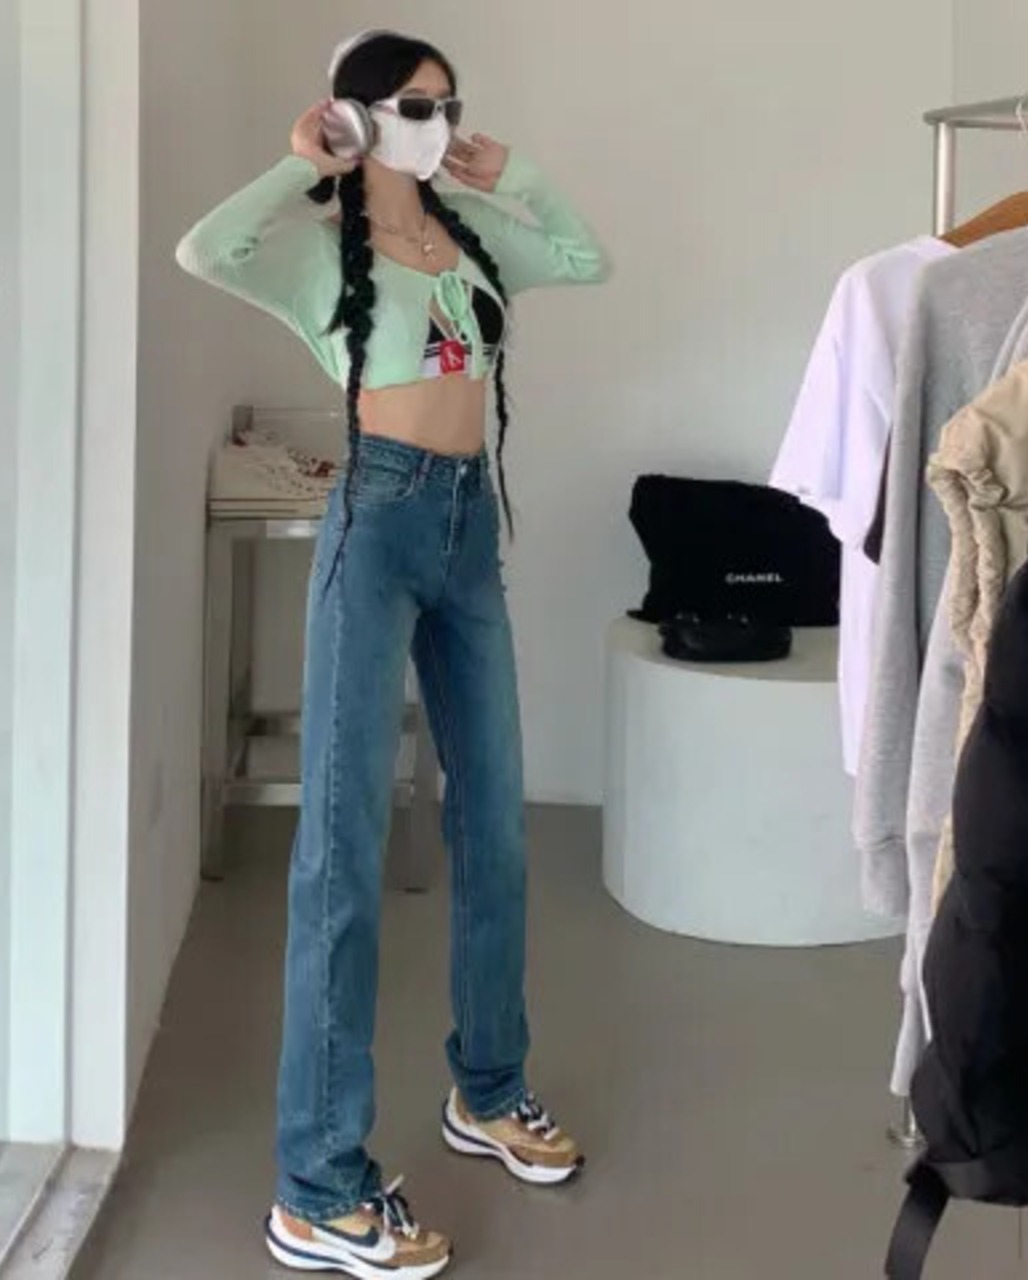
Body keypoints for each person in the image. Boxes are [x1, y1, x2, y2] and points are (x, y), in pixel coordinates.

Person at [178, 29, 610, 1279]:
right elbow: (205, 249)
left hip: (468, 529)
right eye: (416, 105)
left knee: (495, 825)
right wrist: (298, 160)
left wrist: (509, 173)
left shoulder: (469, 242)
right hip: (375, 522)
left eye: (448, 102)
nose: (439, 121)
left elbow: (585, 255)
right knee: (341, 849)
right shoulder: (322, 252)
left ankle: (488, 1086)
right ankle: (315, 1184)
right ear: (359, 115)